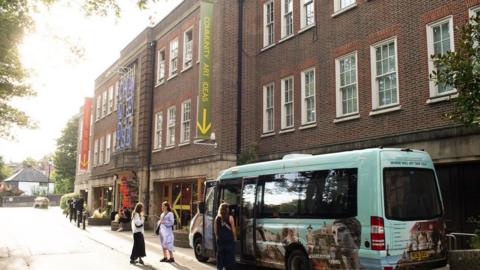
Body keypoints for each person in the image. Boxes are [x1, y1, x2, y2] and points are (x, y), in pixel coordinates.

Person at [214, 202, 236, 270]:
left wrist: (217, 238)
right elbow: (233, 230)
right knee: (229, 260)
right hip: (229, 241)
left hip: (220, 241)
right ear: (227, 210)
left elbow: (215, 230)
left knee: (220, 259)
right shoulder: (230, 218)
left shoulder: (217, 218)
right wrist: (235, 238)